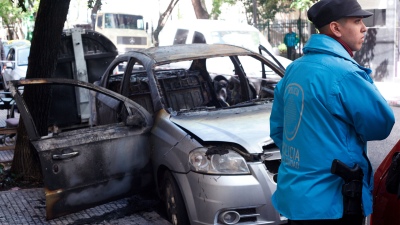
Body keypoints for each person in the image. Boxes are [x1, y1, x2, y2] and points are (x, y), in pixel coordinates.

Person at [269, 0, 395, 225]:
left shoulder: (294, 69)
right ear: (336, 28)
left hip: (297, 199)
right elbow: (382, 124)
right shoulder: (344, 73)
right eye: (357, 22)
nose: (364, 28)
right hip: (333, 204)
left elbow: (279, 129)